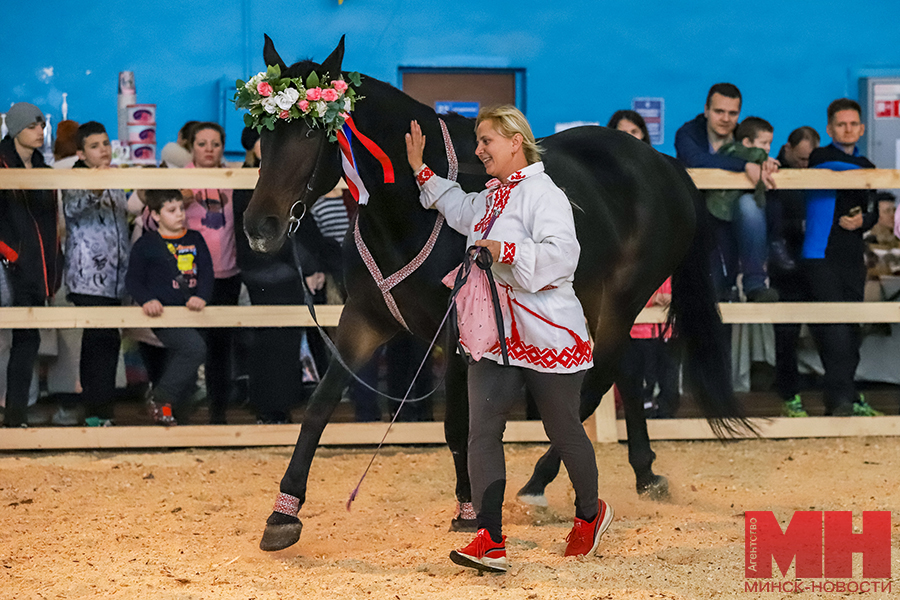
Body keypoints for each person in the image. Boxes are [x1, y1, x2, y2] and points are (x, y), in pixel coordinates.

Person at [406, 105, 612, 572]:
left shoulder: (544, 194)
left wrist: (506, 249)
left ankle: (589, 513)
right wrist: (421, 170)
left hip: (547, 329)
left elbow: (564, 257)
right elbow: (458, 206)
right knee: (482, 431)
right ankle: (490, 537)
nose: (478, 152)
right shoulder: (489, 197)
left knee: (562, 428)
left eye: (486, 142)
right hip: (491, 333)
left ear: (515, 140)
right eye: (478, 143)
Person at [802, 98, 881, 417]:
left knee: (851, 330)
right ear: (829, 129)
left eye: (853, 124)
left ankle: (843, 397)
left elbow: (873, 208)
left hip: (851, 256)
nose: (847, 129)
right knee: (833, 330)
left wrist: (865, 221)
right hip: (819, 255)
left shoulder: (867, 167)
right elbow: (835, 169)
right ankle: (840, 399)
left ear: (861, 129)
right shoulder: (822, 156)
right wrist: (871, 172)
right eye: (840, 124)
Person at [675, 84, 780, 301]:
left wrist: (765, 165)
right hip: (699, 218)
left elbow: (760, 159)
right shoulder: (688, 132)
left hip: (736, 221)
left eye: (732, 113)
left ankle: (755, 285)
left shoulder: (744, 136)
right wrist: (744, 166)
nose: (725, 118)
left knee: (750, 205)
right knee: (711, 290)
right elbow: (695, 160)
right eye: (719, 111)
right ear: (706, 110)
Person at [61, 121, 130, 426]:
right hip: (89, 275)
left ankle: (101, 410)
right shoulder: (77, 177)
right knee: (99, 342)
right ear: (81, 152)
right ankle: (96, 412)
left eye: (105, 143)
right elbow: (73, 209)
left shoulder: (114, 175)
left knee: (107, 342)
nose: (103, 150)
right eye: (94, 146)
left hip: (115, 278)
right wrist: (96, 184)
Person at [126, 189, 212, 425]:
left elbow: (206, 273)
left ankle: (172, 425)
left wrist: (202, 296)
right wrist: (147, 300)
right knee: (194, 350)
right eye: (171, 210)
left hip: (193, 314)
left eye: (181, 209)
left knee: (183, 371)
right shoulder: (146, 244)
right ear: (154, 215)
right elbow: (133, 280)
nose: (179, 215)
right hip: (164, 317)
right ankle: (160, 397)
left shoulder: (195, 239)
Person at [0, 103, 62, 427]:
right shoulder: (2, 165)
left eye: (41, 125)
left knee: (27, 341)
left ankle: (15, 416)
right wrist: (11, 254)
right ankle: (15, 416)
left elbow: (50, 225)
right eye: (32, 126)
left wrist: (54, 264)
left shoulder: (43, 170)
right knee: (23, 341)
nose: (39, 131)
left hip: (34, 270)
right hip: (10, 267)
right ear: (15, 130)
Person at [183, 122, 240, 423]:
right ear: (191, 147)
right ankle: (178, 412)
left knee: (220, 348)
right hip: (190, 277)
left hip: (228, 275)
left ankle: (218, 414)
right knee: (188, 347)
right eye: (202, 143)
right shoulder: (182, 180)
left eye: (215, 144)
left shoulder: (234, 177)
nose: (209, 149)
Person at [770, 126, 821, 418]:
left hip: (811, 261)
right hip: (783, 263)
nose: (805, 166)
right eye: (801, 160)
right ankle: (789, 392)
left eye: (809, 161)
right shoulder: (774, 173)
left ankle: (840, 393)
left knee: (828, 328)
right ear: (787, 149)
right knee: (786, 333)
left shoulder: (817, 171)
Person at [704, 117, 779, 301]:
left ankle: (755, 284)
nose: (768, 148)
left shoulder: (763, 162)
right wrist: (757, 162)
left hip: (747, 228)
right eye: (764, 143)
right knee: (719, 280)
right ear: (747, 142)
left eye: (770, 143)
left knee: (749, 205)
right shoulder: (731, 152)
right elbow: (736, 155)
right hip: (719, 220)